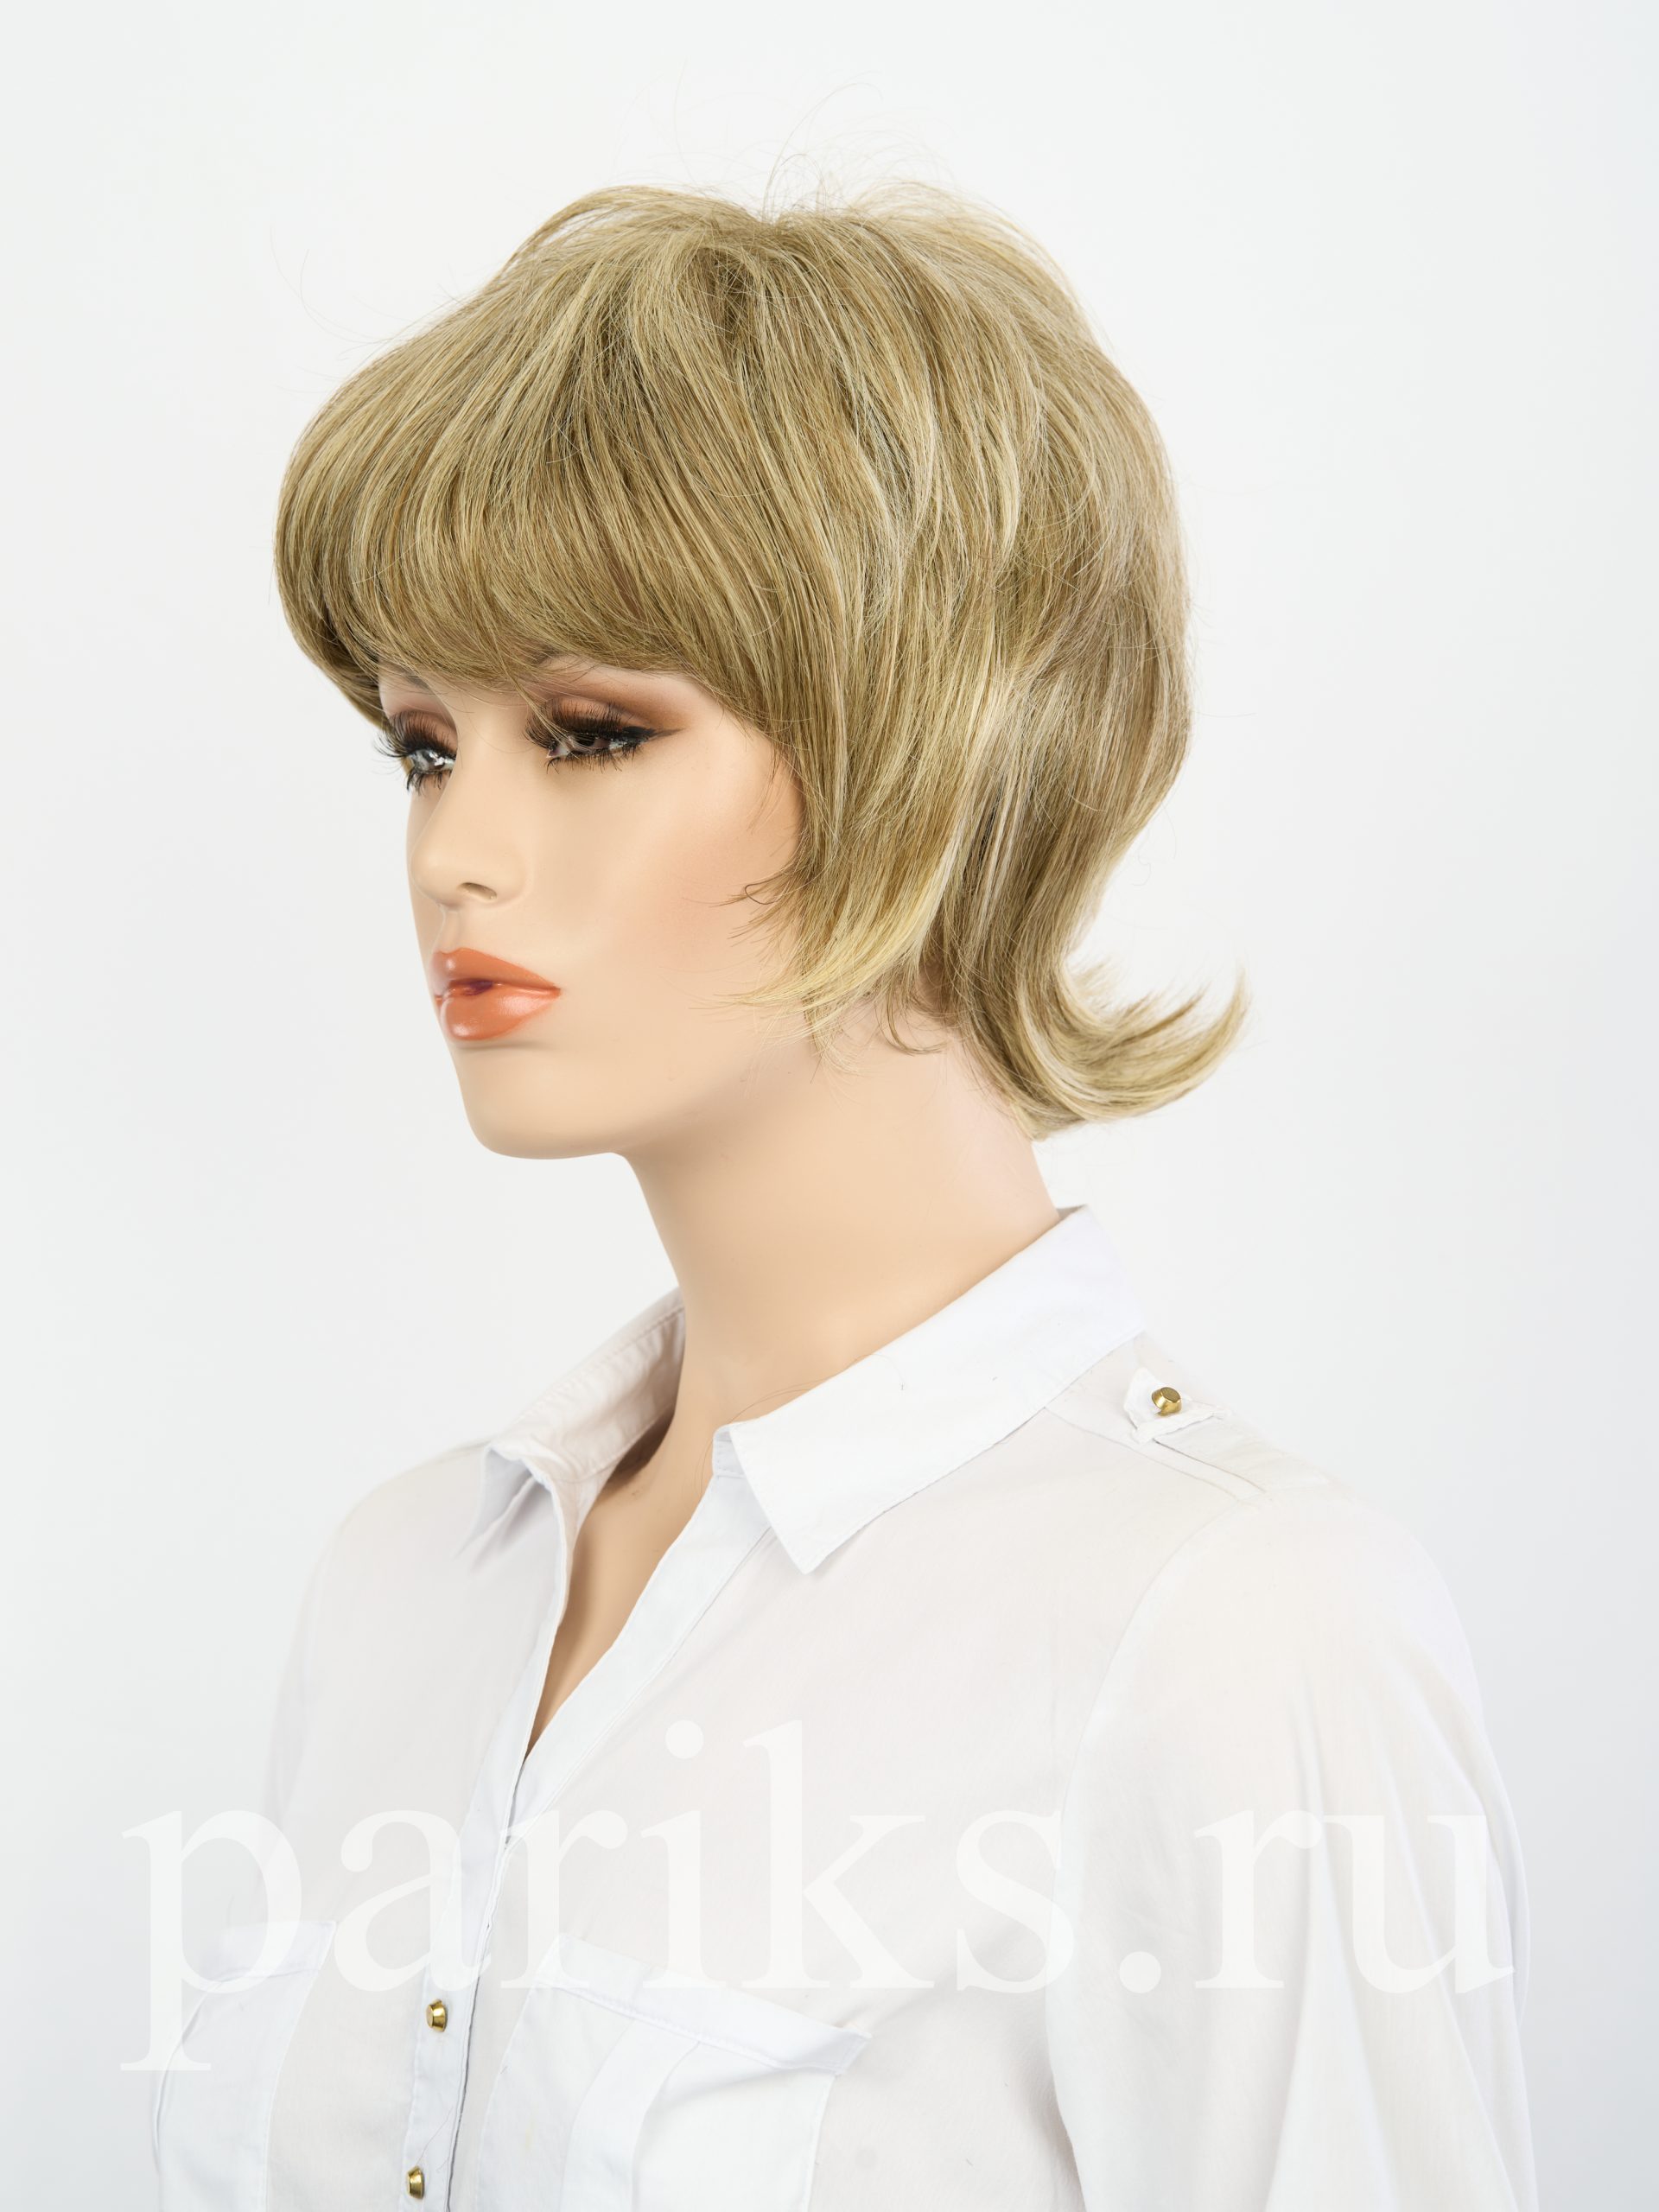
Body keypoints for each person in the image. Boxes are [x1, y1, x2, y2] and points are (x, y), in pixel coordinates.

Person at [150, 181, 1539, 2209]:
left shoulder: (1236, 1631)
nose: (455, 852)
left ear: (929, 749)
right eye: (425, 747)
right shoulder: (408, 1581)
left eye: (591, 732)